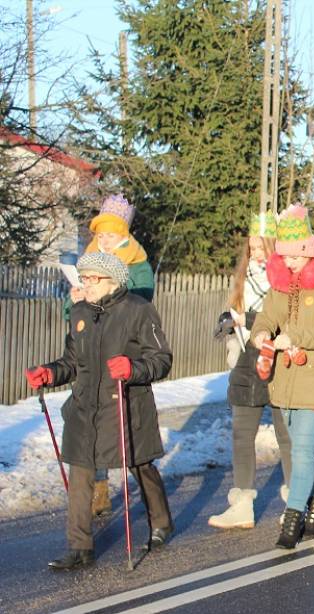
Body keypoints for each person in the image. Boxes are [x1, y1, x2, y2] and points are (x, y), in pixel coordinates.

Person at [26, 252, 173, 570]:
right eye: (84, 278)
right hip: (84, 408)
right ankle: (80, 548)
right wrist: (50, 373)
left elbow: (162, 359)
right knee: (80, 473)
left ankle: (160, 522)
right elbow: (72, 362)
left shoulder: (138, 310)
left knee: (140, 466)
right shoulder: (79, 312)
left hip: (124, 405)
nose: (86, 284)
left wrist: (133, 367)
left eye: (94, 279)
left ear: (113, 281)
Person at [249, 205, 314, 549]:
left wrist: (296, 337)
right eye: (284, 257)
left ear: (308, 252)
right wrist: (261, 335)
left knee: (303, 449)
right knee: (300, 449)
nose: (288, 263)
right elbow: (266, 319)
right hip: (286, 380)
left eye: (293, 257)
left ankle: (293, 517)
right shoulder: (281, 287)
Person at [70, 194, 157, 516]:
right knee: (88, 421)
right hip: (89, 351)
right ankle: (99, 490)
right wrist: (76, 297)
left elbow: (142, 303)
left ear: (124, 235)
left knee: (119, 425)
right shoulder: (89, 260)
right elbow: (74, 314)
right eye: (100, 235)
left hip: (122, 352)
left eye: (110, 234)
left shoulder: (138, 264)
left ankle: (152, 499)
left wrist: (112, 289)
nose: (104, 241)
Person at [208, 212, 293, 529]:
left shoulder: (285, 279)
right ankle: (242, 504)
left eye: (262, 248)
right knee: (242, 435)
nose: (256, 255)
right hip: (246, 359)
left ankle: (295, 502)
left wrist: (252, 319)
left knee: (286, 435)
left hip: (277, 361)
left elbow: (285, 319)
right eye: (252, 248)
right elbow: (237, 311)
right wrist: (228, 321)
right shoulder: (243, 278)